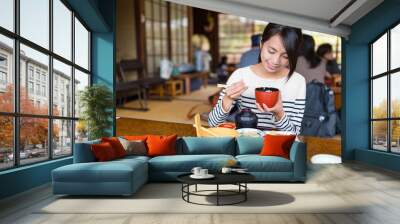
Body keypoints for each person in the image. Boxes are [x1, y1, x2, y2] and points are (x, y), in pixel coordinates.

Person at [208, 23, 306, 135]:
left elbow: (294, 134)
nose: (275, 61)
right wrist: (227, 99)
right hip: (245, 147)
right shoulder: (240, 75)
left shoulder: (298, 82)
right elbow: (212, 124)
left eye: (285, 56)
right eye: (271, 51)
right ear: (261, 44)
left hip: (279, 150)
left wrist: (279, 114)